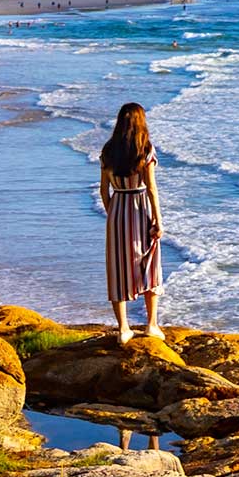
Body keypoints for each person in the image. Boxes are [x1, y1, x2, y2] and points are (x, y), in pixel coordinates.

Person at [100, 102, 164, 344]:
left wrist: (113, 213)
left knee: (118, 267)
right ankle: (151, 324)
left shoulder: (108, 150)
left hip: (118, 208)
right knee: (149, 263)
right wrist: (158, 220)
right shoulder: (145, 149)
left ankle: (124, 328)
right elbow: (151, 188)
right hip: (140, 207)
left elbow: (103, 190)